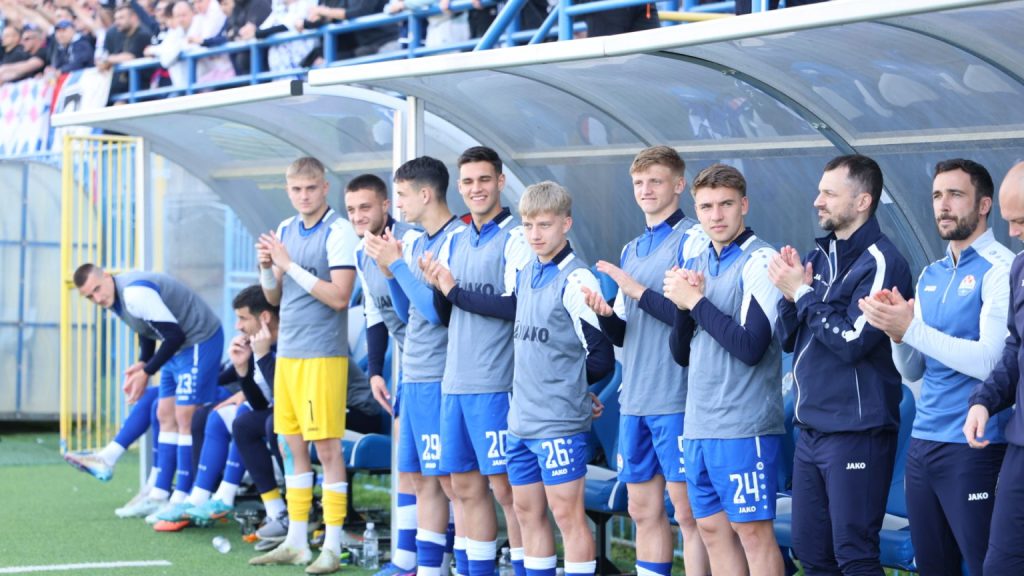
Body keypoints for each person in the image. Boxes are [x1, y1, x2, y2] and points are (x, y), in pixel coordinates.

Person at [858, 159, 1012, 576]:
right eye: (937, 196)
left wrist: (913, 329)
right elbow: (913, 370)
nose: (943, 205)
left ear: (984, 205)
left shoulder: (1002, 269)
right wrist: (898, 335)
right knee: (932, 566)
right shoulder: (931, 273)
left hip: (975, 445)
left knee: (985, 565)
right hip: (924, 442)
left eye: (955, 195)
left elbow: (992, 362)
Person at [769, 154, 913, 576]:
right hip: (811, 430)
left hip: (857, 432)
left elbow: (852, 342)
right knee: (812, 553)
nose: (818, 201)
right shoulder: (820, 256)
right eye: (820, 192)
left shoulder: (882, 262)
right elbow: (788, 337)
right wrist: (789, 292)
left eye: (829, 193)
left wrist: (803, 294)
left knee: (854, 554)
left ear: (862, 201)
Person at [580, 146, 709, 576]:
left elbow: (691, 315)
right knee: (641, 508)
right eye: (638, 182)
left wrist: (636, 290)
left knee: (689, 514)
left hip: (676, 398)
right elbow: (625, 332)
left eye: (655, 181)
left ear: (678, 185)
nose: (646, 190)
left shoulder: (693, 240)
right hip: (634, 399)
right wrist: (605, 315)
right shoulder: (632, 248)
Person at [663, 163, 785, 576]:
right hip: (699, 424)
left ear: (743, 205)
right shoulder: (697, 258)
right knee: (712, 531)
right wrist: (684, 307)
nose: (716, 215)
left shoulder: (761, 260)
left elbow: (750, 347)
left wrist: (696, 302)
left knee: (753, 534)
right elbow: (680, 353)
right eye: (706, 207)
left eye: (726, 204)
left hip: (744, 426)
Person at [419, 146, 529, 576]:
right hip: (455, 382)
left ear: (500, 182)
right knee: (461, 487)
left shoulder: (517, 238)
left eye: (484, 179)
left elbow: (517, 307)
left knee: (508, 491)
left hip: (496, 384)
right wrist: (437, 286)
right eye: (468, 181)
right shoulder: (455, 239)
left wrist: (454, 290)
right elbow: (448, 314)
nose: (476, 188)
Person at [249, 156, 360, 574]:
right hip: (289, 353)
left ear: (325, 187)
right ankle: (296, 541)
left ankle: (331, 545)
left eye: (311, 188)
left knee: (326, 450)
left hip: (322, 354)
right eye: (296, 189)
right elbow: (275, 298)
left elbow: (340, 297)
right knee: (290, 446)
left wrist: (288, 264)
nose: (304, 196)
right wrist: (267, 269)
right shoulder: (285, 229)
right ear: (288, 190)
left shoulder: (339, 231)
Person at [498, 180, 613, 576]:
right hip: (520, 420)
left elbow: (601, 357)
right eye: (528, 225)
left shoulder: (578, 279)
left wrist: (573, 389)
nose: (535, 234)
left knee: (567, 516)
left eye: (544, 225)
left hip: (559, 424)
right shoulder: (524, 272)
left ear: (566, 224)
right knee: (526, 513)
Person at [363, 156, 464, 576]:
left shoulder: (456, 239)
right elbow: (407, 314)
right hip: (415, 375)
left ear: (425, 194)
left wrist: (398, 267)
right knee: (421, 478)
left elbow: (437, 312)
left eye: (402, 195)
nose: (399, 204)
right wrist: (390, 273)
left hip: (441, 376)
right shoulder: (419, 241)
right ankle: (426, 567)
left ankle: (452, 565)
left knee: (451, 483)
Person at [71, 263, 224, 520]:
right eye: (89, 297)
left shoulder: (134, 293)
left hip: (198, 340)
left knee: (185, 416)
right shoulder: (115, 297)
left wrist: (147, 372)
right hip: (177, 347)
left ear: (107, 276)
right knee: (165, 413)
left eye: (96, 289)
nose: (96, 299)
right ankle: (159, 495)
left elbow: (173, 335)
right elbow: (147, 328)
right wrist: (144, 362)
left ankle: (182, 498)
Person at [152, 284, 281, 531]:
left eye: (242, 318)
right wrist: (241, 368)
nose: (238, 326)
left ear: (264, 317)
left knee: (242, 416)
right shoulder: (257, 342)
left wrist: (254, 368)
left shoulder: (288, 341)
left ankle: (227, 496)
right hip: (273, 411)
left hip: (310, 413)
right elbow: (259, 400)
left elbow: (281, 396)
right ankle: (199, 495)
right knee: (213, 416)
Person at [345, 173, 422, 576]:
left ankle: (439, 560)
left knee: (444, 476)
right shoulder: (361, 252)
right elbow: (374, 313)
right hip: (407, 369)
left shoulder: (411, 243)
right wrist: (376, 371)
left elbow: (426, 309)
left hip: (439, 368)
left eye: (365, 207)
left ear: (386, 206)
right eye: (351, 209)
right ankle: (407, 560)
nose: (358, 216)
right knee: (407, 464)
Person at [964, 161, 1024, 574]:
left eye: (1022, 221)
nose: (1014, 232)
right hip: (1020, 447)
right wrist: (984, 401)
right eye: (1010, 221)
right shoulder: (1020, 268)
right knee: (1001, 565)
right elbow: (1015, 347)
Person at [97, 4, 153, 101]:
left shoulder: (143, 34)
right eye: (116, 19)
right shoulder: (117, 34)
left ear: (133, 17)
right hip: (121, 89)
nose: (117, 22)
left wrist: (108, 60)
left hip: (140, 89)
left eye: (121, 18)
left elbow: (130, 57)